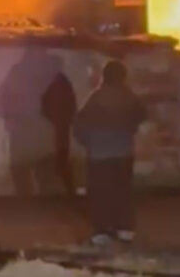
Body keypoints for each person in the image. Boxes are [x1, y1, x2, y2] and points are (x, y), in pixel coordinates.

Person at [74, 60, 146, 246]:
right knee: (122, 191)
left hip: (99, 154)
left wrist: (89, 143)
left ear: (104, 76)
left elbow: (80, 125)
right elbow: (141, 116)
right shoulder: (129, 97)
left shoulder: (96, 98)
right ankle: (124, 229)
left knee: (101, 193)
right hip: (124, 153)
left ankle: (102, 231)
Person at [41, 73, 77, 197]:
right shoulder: (66, 87)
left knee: (58, 149)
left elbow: (44, 105)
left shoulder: (50, 87)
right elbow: (72, 104)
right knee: (62, 150)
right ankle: (65, 181)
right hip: (62, 124)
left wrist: (50, 117)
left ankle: (60, 175)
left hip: (55, 123)